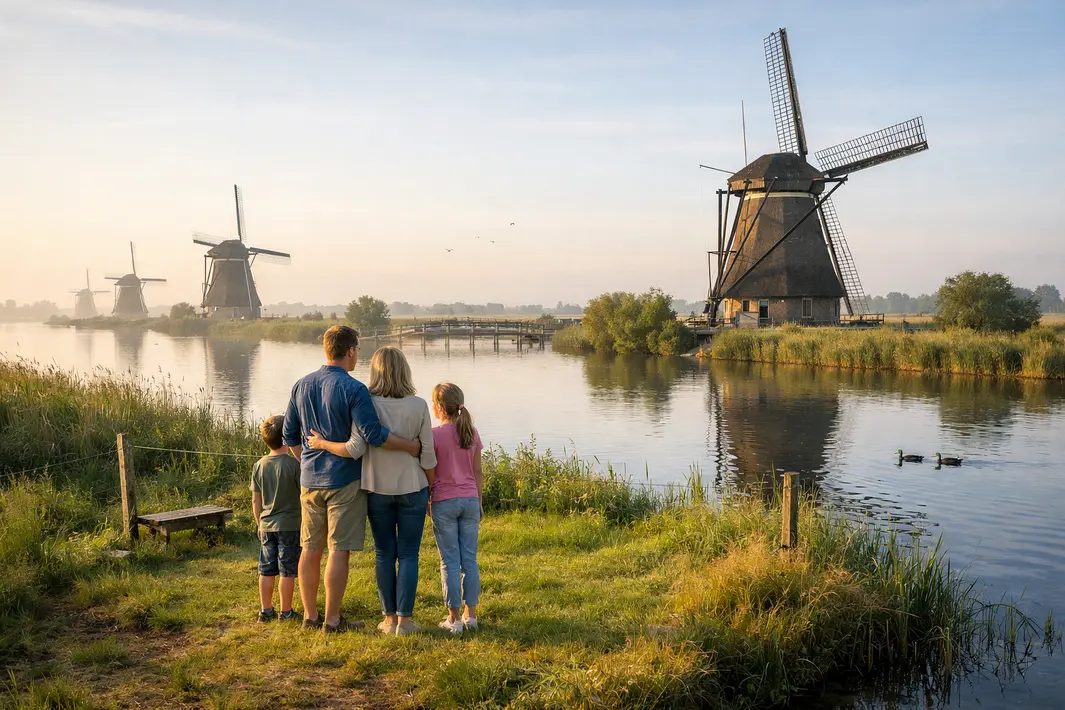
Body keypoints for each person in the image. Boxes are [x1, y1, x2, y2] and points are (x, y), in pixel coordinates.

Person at [282, 325, 422, 634]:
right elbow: (372, 434)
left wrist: (307, 461)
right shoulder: (354, 389)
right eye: (357, 351)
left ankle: (309, 615)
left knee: (309, 548)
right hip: (343, 480)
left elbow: (289, 436)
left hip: (310, 480)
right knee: (338, 549)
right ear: (352, 351)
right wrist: (410, 445)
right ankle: (332, 620)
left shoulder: (300, 385)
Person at [428, 382, 483, 635]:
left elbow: (429, 471)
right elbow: (478, 472)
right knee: (469, 559)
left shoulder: (434, 435)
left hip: (444, 501)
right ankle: (471, 616)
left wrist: (428, 498)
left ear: (439, 408)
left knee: (449, 561)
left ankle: (454, 619)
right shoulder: (471, 432)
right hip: (470, 500)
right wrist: (479, 502)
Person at [251, 415, 302, 623]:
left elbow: (256, 499)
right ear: (288, 437)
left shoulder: (259, 465)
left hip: (266, 525)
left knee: (266, 569)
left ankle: (266, 610)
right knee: (287, 571)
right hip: (290, 526)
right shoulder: (295, 465)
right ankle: (286, 611)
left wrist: (258, 523)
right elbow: (303, 495)